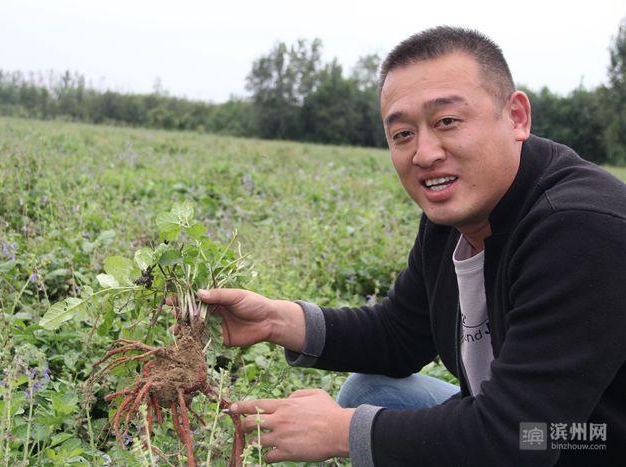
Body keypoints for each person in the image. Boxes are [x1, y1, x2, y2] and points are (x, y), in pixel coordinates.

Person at [194, 27, 626, 465]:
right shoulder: (456, 216)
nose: (424, 153)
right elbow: (399, 334)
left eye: (447, 122)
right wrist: (275, 319)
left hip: (580, 442)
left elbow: (519, 437)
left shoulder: (582, 229)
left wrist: (340, 431)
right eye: (402, 134)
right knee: (370, 391)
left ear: (516, 117)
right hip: (525, 429)